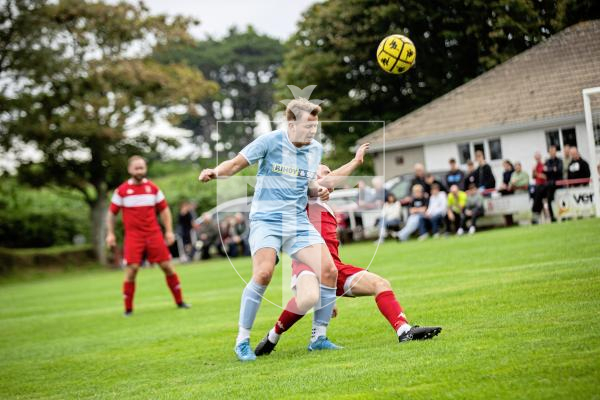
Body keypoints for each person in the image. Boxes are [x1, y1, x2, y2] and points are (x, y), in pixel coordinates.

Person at [199, 98, 340, 361]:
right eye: (308, 127)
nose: (312, 132)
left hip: (297, 221)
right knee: (263, 274)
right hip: (266, 220)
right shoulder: (269, 142)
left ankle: (319, 338)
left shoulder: (315, 149)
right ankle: (242, 342)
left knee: (329, 272)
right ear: (291, 124)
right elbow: (234, 164)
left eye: (315, 127)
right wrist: (214, 172)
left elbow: (306, 183)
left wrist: (317, 189)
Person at [254, 163, 441, 356]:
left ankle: (404, 331)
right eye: (325, 173)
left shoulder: (326, 206)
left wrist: (329, 291)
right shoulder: (302, 197)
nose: (330, 176)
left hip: (333, 268)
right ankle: (273, 336)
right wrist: (356, 161)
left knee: (381, 284)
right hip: (307, 264)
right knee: (309, 298)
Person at [106, 155, 190, 316]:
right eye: (136, 168)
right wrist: (110, 234)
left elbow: (164, 210)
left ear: (145, 168)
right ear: (130, 170)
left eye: (142, 167)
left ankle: (180, 302)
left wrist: (169, 231)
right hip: (133, 236)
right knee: (132, 270)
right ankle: (128, 309)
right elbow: (111, 213)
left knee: (167, 267)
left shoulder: (153, 189)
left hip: (153, 234)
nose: (139, 170)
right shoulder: (122, 191)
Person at [543, 145, 563, 222]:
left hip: (558, 184)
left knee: (560, 200)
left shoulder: (559, 161)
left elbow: (559, 170)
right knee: (549, 200)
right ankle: (552, 217)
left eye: (553, 151)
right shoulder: (547, 161)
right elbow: (544, 171)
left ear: (555, 151)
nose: (552, 152)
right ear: (549, 152)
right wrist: (553, 169)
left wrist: (549, 170)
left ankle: (563, 215)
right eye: (551, 151)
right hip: (550, 185)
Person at [531, 151, 548, 224]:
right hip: (537, 186)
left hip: (544, 186)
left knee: (543, 202)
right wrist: (534, 172)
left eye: (538, 157)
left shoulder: (544, 165)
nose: (537, 159)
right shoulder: (535, 166)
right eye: (536, 158)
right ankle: (536, 216)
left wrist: (537, 174)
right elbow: (533, 177)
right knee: (537, 201)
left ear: (540, 157)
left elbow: (545, 176)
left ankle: (545, 217)